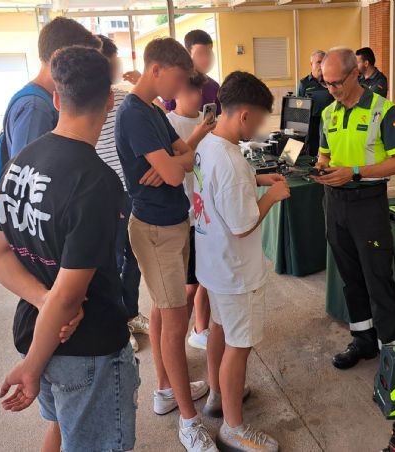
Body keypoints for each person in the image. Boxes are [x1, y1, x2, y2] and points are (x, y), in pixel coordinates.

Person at [0, 46, 139, 452]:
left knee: (65, 433)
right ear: (109, 100)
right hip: (86, 351)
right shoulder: (98, 182)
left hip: (34, 330)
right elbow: (70, 296)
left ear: (56, 97)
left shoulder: (20, 161)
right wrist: (31, 369)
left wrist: (41, 304)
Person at [115, 37, 216, 452]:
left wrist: (174, 161)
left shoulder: (154, 109)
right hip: (155, 229)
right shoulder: (134, 114)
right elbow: (176, 173)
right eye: (178, 78)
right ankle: (188, 423)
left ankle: (164, 390)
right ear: (156, 69)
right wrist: (173, 166)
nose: (181, 89)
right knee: (175, 324)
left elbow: (182, 155)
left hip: (173, 223)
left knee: (163, 312)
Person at [195, 71, 289, 452]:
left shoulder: (209, 144)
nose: (264, 127)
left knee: (220, 329)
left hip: (213, 264)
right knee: (240, 346)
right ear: (245, 115)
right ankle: (233, 428)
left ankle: (219, 395)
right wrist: (274, 195)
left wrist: (258, 179)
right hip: (237, 271)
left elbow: (219, 190)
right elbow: (243, 225)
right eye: (263, 118)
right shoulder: (233, 163)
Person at [314, 48, 395, 369]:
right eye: (325, 83)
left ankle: (393, 356)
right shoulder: (329, 113)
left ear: (356, 73)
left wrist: (354, 172)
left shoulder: (383, 110)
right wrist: (322, 168)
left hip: (367, 204)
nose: (331, 90)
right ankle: (364, 340)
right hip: (335, 202)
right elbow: (325, 154)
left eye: (336, 83)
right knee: (350, 277)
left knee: (377, 279)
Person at [96, 34, 148, 354]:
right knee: (112, 261)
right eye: (113, 61)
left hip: (132, 191)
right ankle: (116, 323)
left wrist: (142, 85)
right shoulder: (88, 100)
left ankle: (129, 312)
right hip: (105, 195)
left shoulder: (125, 94)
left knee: (135, 257)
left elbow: (149, 121)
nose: (118, 67)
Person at [166, 71, 217, 350]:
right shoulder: (168, 123)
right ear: (175, 92)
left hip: (205, 212)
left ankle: (201, 329)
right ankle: (178, 338)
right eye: (189, 91)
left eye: (198, 91)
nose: (196, 97)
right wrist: (198, 134)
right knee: (188, 286)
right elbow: (176, 163)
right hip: (182, 214)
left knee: (205, 278)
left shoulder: (206, 119)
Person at [5, 17, 100, 158]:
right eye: (81, 60)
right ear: (58, 56)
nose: (87, 69)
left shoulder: (45, 99)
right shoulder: (35, 108)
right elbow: (26, 173)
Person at [297, 50, 334, 156]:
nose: (321, 65)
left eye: (323, 62)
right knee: (312, 151)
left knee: (328, 151)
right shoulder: (304, 83)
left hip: (329, 122)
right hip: (312, 123)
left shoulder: (330, 81)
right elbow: (299, 107)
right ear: (311, 64)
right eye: (318, 62)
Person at [184, 29, 221, 115]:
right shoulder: (180, 84)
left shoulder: (215, 87)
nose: (206, 59)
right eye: (200, 53)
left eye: (208, 53)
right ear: (187, 54)